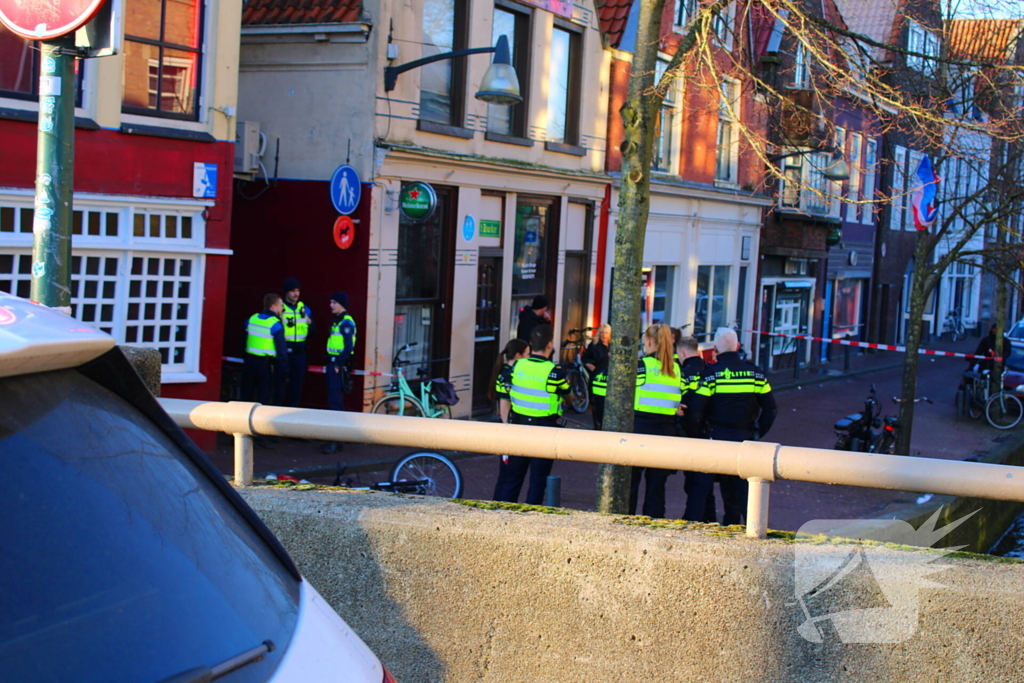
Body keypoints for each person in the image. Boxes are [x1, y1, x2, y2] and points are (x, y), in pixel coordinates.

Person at [685, 327, 777, 526]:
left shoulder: (710, 375)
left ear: (715, 348)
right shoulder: (756, 375)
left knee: (700, 489)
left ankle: (691, 531)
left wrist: (696, 434)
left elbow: (696, 410)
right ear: (737, 346)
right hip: (743, 440)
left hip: (713, 439)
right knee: (741, 491)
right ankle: (747, 532)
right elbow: (771, 409)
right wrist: (757, 432)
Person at [493, 324, 570, 505]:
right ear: (550, 344)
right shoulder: (555, 372)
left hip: (519, 427)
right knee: (538, 480)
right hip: (545, 429)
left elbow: (505, 394)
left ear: (531, 344)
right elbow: (569, 396)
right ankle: (531, 519)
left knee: (513, 478)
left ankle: (504, 516)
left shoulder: (517, 366)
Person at [628, 324, 683, 519]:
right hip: (665, 433)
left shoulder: (642, 366)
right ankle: (654, 525)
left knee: (631, 485)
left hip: (640, 430)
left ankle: (627, 524)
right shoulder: (676, 369)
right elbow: (678, 398)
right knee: (657, 488)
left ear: (649, 341)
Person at [676, 335, 716, 523]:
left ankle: (694, 519)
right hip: (710, 433)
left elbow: (684, 406)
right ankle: (709, 518)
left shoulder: (682, 373)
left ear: (682, 352)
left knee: (693, 483)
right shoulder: (708, 370)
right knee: (705, 483)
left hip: (691, 434)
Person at [240, 294, 287, 448]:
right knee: (263, 400)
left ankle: (241, 431)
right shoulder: (276, 324)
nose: (282, 309)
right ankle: (259, 436)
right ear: (273, 306)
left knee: (246, 396)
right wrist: (282, 371)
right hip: (266, 366)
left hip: (249, 363)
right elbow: (281, 351)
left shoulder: (252, 319)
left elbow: (243, 338)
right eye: (280, 305)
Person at [321, 292, 357, 455]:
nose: (331, 305)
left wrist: (337, 363)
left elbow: (348, 348)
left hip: (337, 367)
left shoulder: (345, 323)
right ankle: (338, 439)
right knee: (336, 403)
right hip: (334, 365)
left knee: (334, 403)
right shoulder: (339, 322)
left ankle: (334, 441)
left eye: (334, 302)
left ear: (342, 304)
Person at [280, 277, 316, 408]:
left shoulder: (304, 309)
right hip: (285, 352)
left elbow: (312, 332)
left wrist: (309, 323)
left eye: (298, 290)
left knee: (297, 387)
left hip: (300, 353)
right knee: (281, 385)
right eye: (292, 291)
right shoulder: (281, 309)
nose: (296, 294)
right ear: (286, 292)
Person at [489, 338, 530, 424]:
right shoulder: (508, 376)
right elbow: (504, 409)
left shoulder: (507, 371)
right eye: (527, 354)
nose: (529, 358)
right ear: (518, 355)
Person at [582, 324, 611, 429]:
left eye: (606, 333)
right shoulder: (594, 345)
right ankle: (598, 427)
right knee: (597, 404)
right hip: (597, 378)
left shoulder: (613, 346)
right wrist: (593, 368)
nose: (604, 335)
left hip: (610, 378)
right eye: (602, 333)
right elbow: (585, 360)